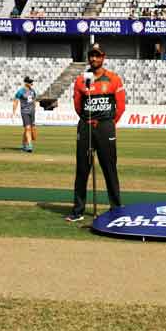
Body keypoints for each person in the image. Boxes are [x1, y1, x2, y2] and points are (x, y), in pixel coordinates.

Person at [65, 44, 126, 222]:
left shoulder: (114, 79)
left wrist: (108, 123)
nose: (94, 59)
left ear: (103, 57)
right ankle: (78, 210)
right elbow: (77, 105)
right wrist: (87, 120)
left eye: (97, 56)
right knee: (82, 169)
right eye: (91, 56)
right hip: (86, 126)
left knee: (109, 168)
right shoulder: (81, 80)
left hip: (106, 126)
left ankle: (116, 207)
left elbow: (120, 107)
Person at [13, 76, 38, 152]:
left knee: (32, 131)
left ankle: (24, 144)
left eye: (32, 82)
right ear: (26, 83)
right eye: (30, 82)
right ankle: (29, 146)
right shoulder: (21, 91)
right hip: (25, 112)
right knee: (27, 128)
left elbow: (34, 100)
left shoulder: (33, 91)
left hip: (32, 112)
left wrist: (35, 108)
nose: (32, 83)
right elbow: (15, 101)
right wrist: (13, 112)